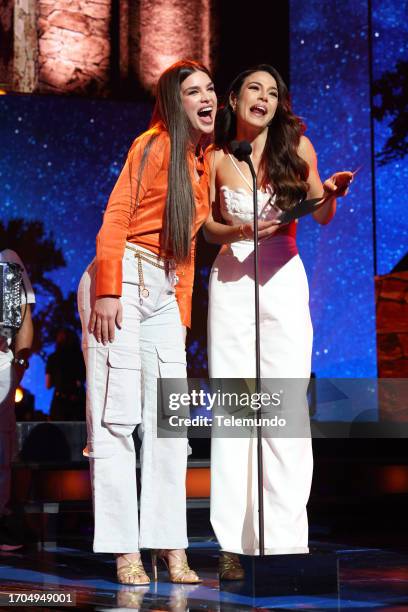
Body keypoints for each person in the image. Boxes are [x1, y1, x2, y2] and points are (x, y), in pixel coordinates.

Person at [204, 64, 352, 577]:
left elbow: (321, 213)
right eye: (254, 89)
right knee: (237, 408)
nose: (263, 98)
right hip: (231, 283)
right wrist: (242, 228)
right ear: (233, 99)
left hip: (285, 279)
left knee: (285, 406)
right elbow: (207, 228)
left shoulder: (298, 150)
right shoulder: (216, 158)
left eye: (272, 92)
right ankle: (232, 541)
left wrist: (329, 193)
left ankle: (285, 538)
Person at [77, 59, 217, 584]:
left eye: (209, 89)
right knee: (117, 419)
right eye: (193, 92)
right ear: (172, 104)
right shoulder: (153, 144)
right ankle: (123, 548)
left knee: (169, 424)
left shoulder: (202, 164)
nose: (207, 98)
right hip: (124, 280)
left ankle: (167, 543)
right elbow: (117, 216)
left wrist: (180, 315)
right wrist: (108, 290)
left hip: (162, 294)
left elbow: (186, 251)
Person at [0, 249, 35, 550]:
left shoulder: (7, 258)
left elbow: (24, 315)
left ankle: (3, 521)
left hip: (1, 364)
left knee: (1, 450)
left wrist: (20, 363)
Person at [46, 328, 85, 421]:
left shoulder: (53, 358)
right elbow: (84, 379)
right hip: (78, 402)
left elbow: (48, 385)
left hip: (59, 403)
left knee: (57, 432)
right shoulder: (81, 357)